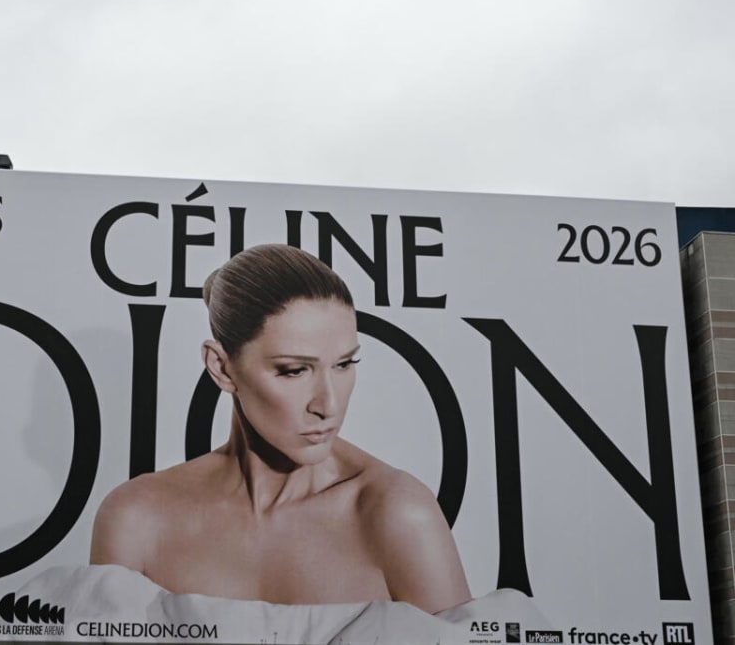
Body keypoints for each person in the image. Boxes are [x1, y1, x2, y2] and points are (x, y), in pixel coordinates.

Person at [90, 244, 471, 614]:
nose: (328, 405)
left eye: (344, 364)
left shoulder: (396, 512)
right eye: (294, 370)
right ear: (221, 367)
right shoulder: (138, 520)